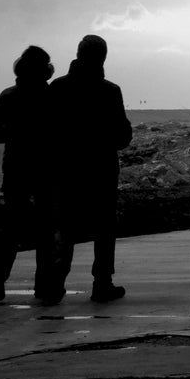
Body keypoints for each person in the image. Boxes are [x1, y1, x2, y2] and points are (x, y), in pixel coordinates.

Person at [49, 35, 133, 303]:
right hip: (101, 169)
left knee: (64, 226)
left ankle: (54, 283)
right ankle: (102, 284)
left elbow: (45, 132)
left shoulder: (57, 88)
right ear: (103, 58)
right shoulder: (110, 91)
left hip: (65, 168)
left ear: (78, 53)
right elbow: (122, 136)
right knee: (105, 228)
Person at [0, 46, 57, 303]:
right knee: (46, 228)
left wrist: (14, 133)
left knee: (14, 224)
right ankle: (44, 286)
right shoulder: (51, 97)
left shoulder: (8, 96)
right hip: (46, 168)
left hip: (15, 166)